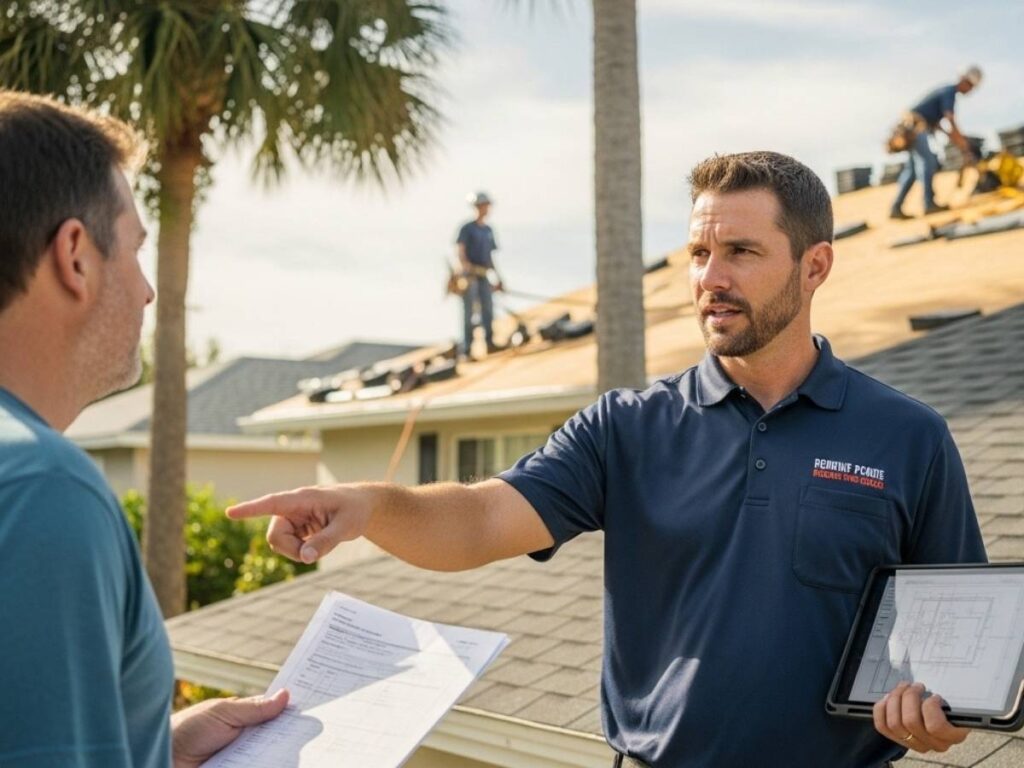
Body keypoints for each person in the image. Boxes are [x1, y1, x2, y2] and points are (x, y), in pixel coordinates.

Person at [229, 152, 986, 768]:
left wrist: (936, 714)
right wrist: (370, 506)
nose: (709, 278)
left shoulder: (908, 437)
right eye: (698, 253)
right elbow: (482, 518)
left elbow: (958, 651)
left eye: (741, 252)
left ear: (815, 266)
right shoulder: (627, 427)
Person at [0, 90, 288, 767]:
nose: (147, 289)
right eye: (134, 250)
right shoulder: (45, 489)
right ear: (75, 255)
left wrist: (155, 745)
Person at [890, 66, 983, 219]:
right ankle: (929, 204)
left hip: (911, 127)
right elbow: (950, 121)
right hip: (915, 128)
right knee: (928, 162)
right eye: (971, 86)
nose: (970, 90)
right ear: (965, 81)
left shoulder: (946, 91)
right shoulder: (950, 92)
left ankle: (896, 207)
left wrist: (957, 140)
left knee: (912, 170)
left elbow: (942, 126)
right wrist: (963, 143)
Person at [456, 191, 504, 357]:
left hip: (484, 276)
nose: (485, 208)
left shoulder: (488, 230)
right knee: (470, 313)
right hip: (470, 277)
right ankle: (467, 350)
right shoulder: (467, 229)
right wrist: (467, 268)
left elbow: (490, 257)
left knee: (488, 310)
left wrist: (498, 279)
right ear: (476, 207)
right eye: (482, 205)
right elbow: (461, 251)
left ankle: (489, 343)